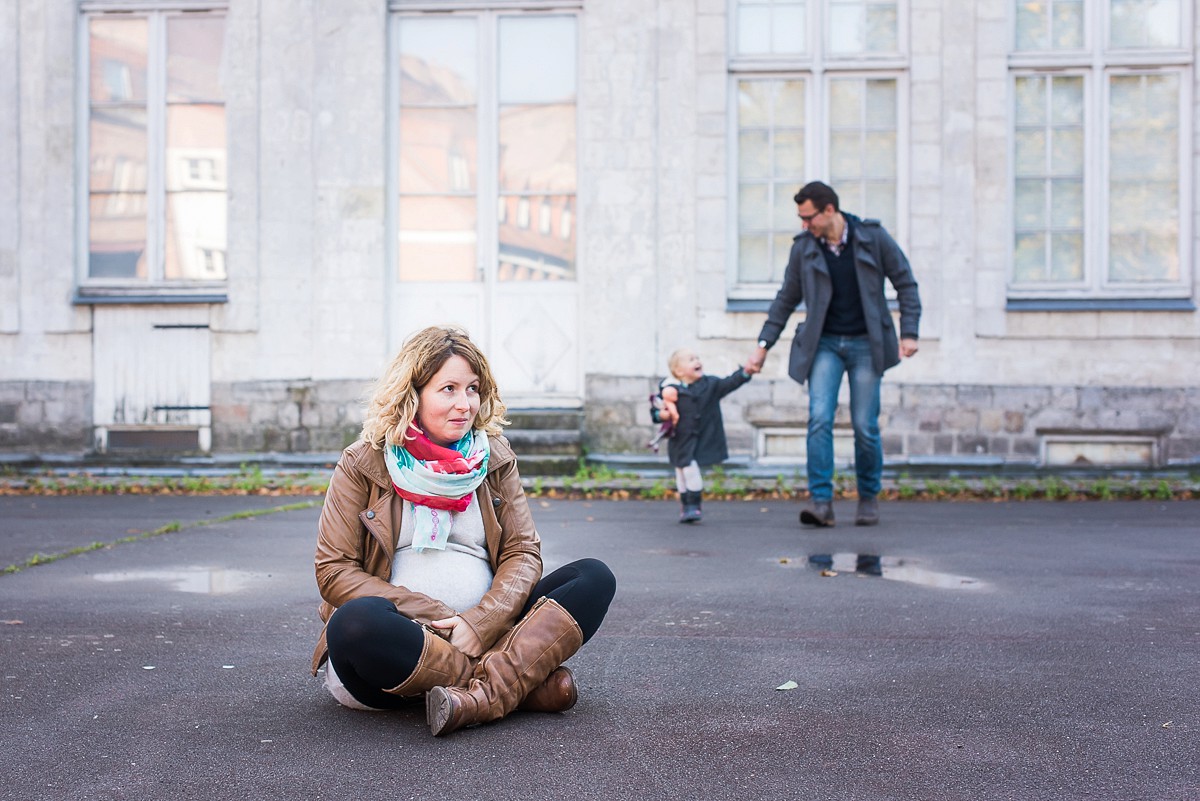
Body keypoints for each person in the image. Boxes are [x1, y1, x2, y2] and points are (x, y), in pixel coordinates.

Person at [311, 325, 616, 736]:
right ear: (412, 394)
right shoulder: (363, 462)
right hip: (400, 647)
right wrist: (444, 618)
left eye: (473, 389)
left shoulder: (493, 457)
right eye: (449, 389)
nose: (465, 403)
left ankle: (474, 699)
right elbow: (334, 570)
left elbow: (522, 552)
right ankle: (512, 686)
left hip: (489, 631)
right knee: (356, 622)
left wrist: (481, 622)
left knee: (592, 577)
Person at [746, 181, 920, 528]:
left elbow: (905, 282)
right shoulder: (805, 249)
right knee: (819, 419)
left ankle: (868, 498)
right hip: (824, 344)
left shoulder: (873, 237)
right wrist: (763, 346)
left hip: (866, 344)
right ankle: (821, 502)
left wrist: (910, 332)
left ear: (829, 211)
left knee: (864, 425)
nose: (803, 225)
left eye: (808, 217)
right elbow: (785, 299)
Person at [664, 348, 754, 523]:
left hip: (702, 437)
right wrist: (661, 415)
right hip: (680, 440)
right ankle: (685, 505)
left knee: (690, 470)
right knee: (681, 473)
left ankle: (694, 506)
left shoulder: (710, 385)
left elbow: (730, 382)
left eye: (697, 357)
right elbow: (657, 410)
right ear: (679, 371)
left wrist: (745, 372)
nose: (697, 361)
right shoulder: (670, 390)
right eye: (691, 359)